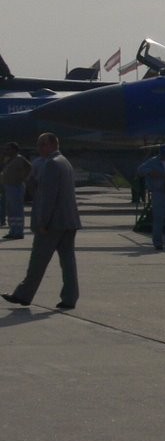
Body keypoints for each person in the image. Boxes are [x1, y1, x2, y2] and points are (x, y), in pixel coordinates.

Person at [3, 132, 81, 311]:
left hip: (53, 222)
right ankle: (70, 297)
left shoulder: (52, 164)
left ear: (51, 144)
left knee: (38, 260)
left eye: (41, 145)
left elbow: (48, 197)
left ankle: (23, 294)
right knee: (68, 261)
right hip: (68, 221)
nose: (38, 148)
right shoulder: (65, 162)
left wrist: (42, 222)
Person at [136, 144, 165, 250]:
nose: (164, 156)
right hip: (158, 192)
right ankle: (157, 243)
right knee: (159, 218)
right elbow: (140, 170)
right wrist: (152, 173)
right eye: (163, 153)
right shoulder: (153, 161)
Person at [2, 141, 29, 238]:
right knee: (10, 210)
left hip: (16, 187)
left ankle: (18, 232)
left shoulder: (19, 159)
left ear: (14, 150)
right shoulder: (9, 159)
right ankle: (12, 230)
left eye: (8, 149)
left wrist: (22, 178)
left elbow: (29, 167)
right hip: (9, 187)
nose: (6, 151)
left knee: (17, 210)